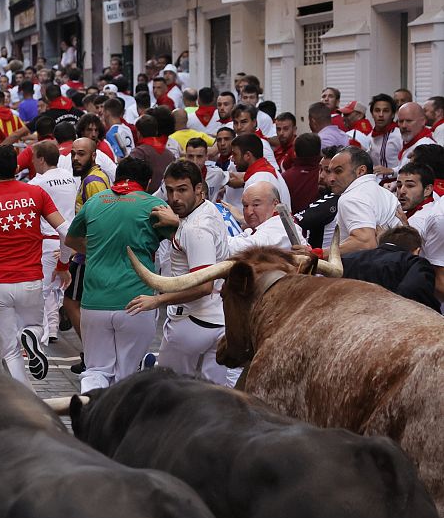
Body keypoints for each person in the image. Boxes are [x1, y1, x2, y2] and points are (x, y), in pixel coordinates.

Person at [0, 146, 71, 387]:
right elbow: (65, 231)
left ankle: (27, 401)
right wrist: (64, 261)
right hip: (30, 279)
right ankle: (32, 336)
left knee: (9, 350)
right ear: (17, 168)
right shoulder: (37, 194)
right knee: (34, 327)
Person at [67, 157, 172, 392]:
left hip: (94, 302)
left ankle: (90, 417)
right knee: (127, 373)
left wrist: (95, 251)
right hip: (136, 302)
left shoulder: (94, 202)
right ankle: (120, 423)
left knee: (95, 370)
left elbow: (71, 239)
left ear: (116, 178)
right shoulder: (153, 204)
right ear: (146, 182)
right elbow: (180, 241)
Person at [147, 160, 230, 386]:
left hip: (191, 324)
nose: (175, 198)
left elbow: (203, 286)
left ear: (199, 189)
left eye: (182, 190)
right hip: (220, 323)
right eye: (170, 190)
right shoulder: (208, 209)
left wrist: (157, 301)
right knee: (215, 400)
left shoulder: (196, 230)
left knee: (167, 391)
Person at [65, 136, 111, 374]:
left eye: (81, 154)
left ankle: (93, 354)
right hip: (87, 251)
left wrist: (83, 250)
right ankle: (94, 353)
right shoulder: (93, 177)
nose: (75, 158)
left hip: (88, 253)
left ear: (93, 155)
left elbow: (100, 218)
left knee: (72, 303)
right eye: (73, 153)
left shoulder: (93, 181)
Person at [28, 141, 77, 344]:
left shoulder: (36, 184)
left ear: (41, 159)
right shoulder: (70, 178)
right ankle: (53, 329)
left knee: (41, 292)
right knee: (56, 289)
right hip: (69, 241)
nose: (31, 161)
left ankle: (39, 338)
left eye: (33, 157)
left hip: (48, 241)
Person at [317, 146, 401, 256]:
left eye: (338, 171)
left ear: (361, 171)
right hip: (396, 266)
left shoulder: (351, 197)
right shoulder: (387, 194)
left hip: (372, 269)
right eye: (329, 172)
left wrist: (318, 254)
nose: (330, 179)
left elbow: (365, 243)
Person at [342, 226, 439, 311]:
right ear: (417, 251)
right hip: (394, 322)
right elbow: (416, 293)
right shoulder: (414, 263)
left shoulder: (347, 259)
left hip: (347, 319)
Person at [227, 182, 306, 253]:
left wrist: (216, 234)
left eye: (256, 205)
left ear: (275, 205)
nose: (249, 212)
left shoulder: (279, 226)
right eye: (245, 206)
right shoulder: (260, 227)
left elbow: (243, 248)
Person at [230, 132, 291, 209]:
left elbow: (258, 216)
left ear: (248, 155)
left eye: (235, 154)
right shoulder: (268, 171)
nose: (232, 159)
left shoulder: (258, 180)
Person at [282, 132, 322, 213]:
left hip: (296, 222)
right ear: (319, 152)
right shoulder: (325, 175)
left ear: (295, 153)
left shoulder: (285, 178)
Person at [368, 93, 402, 174]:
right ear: (372, 114)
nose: (381, 115)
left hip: (396, 183)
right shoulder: (370, 136)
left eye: (386, 111)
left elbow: (410, 163)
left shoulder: (400, 135)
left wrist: (392, 171)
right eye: (377, 110)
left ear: (393, 114)